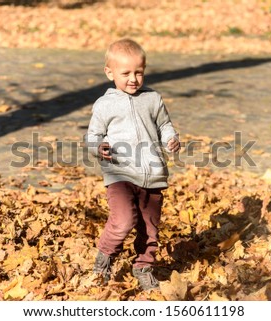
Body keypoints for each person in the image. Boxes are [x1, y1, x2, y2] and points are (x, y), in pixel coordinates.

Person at [85, 38, 180, 291]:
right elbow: (93, 135)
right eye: (125, 73)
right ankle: (104, 261)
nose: (133, 79)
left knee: (150, 229)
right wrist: (98, 147)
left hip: (152, 175)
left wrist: (171, 138)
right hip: (120, 173)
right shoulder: (105, 104)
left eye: (139, 72)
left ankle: (143, 267)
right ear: (110, 73)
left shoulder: (153, 99)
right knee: (124, 220)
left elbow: (164, 125)